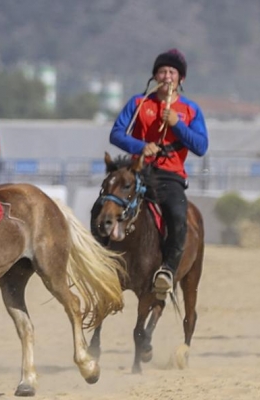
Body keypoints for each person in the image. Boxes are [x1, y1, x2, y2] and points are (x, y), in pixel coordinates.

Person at [107, 48, 208, 299]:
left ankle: (168, 270)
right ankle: (101, 260)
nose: (167, 76)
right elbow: (117, 133)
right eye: (162, 71)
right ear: (154, 76)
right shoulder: (139, 103)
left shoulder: (190, 110)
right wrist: (141, 146)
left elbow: (201, 146)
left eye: (172, 72)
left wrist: (176, 123)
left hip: (170, 176)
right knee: (106, 204)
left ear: (181, 79)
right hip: (138, 172)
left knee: (176, 214)